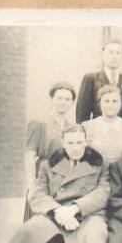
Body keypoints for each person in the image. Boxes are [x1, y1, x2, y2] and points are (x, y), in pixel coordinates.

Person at [23, 82, 76, 221]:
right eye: (59, 98)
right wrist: (31, 185)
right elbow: (29, 155)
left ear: (72, 102)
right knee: (41, 219)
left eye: (67, 99)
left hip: (63, 178)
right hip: (43, 177)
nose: (63, 102)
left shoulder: (72, 126)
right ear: (52, 99)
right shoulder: (39, 123)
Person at [76, 38, 122, 122]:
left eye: (118, 53)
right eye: (110, 52)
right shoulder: (91, 78)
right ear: (103, 55)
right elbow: (82, 112)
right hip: (97, 128)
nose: (114, 56)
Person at [82, 85, 122, 164]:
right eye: (106, 101)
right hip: (95, 170)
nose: (110, 105)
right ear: (100, 103)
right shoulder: (87, 127)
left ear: (121, 104)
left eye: (115, 101)